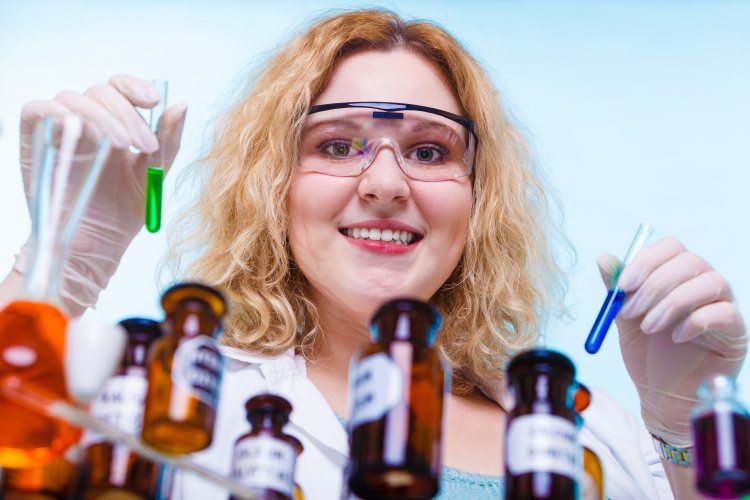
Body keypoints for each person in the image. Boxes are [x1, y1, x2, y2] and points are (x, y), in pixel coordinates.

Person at [1, 9, 746, 499]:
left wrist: (685, 433)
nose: (386, 183)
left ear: (478, 198)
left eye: (428, 150)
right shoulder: (165, 403)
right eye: (336, 145)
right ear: (275, 187)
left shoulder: (597, 437)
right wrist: (54, 272)